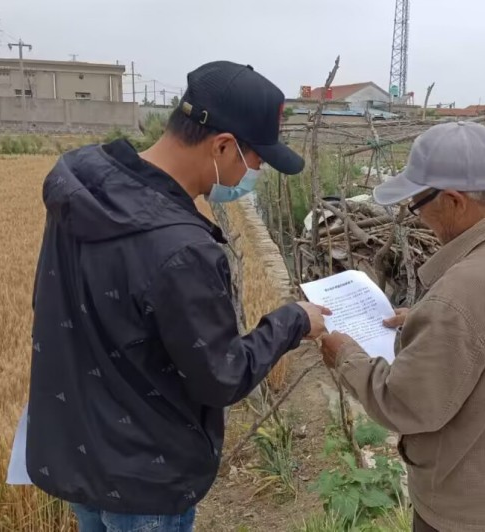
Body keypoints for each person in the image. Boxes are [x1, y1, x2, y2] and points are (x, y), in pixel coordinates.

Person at [24, 61, 330, 532]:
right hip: (146, 480)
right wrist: (294, 321)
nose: (256, 172)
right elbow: (222, 376)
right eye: (256, 160)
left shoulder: (83, 186)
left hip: (77, 455)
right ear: (222, 145)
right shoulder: (182, 249)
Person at [319, 122, 485, 532]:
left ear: (454, 201)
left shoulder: (462, 293)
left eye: (417, 204)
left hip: (461, 503)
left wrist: (345, 355)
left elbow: (403, 404)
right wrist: (428, 322)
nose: (418, 217)